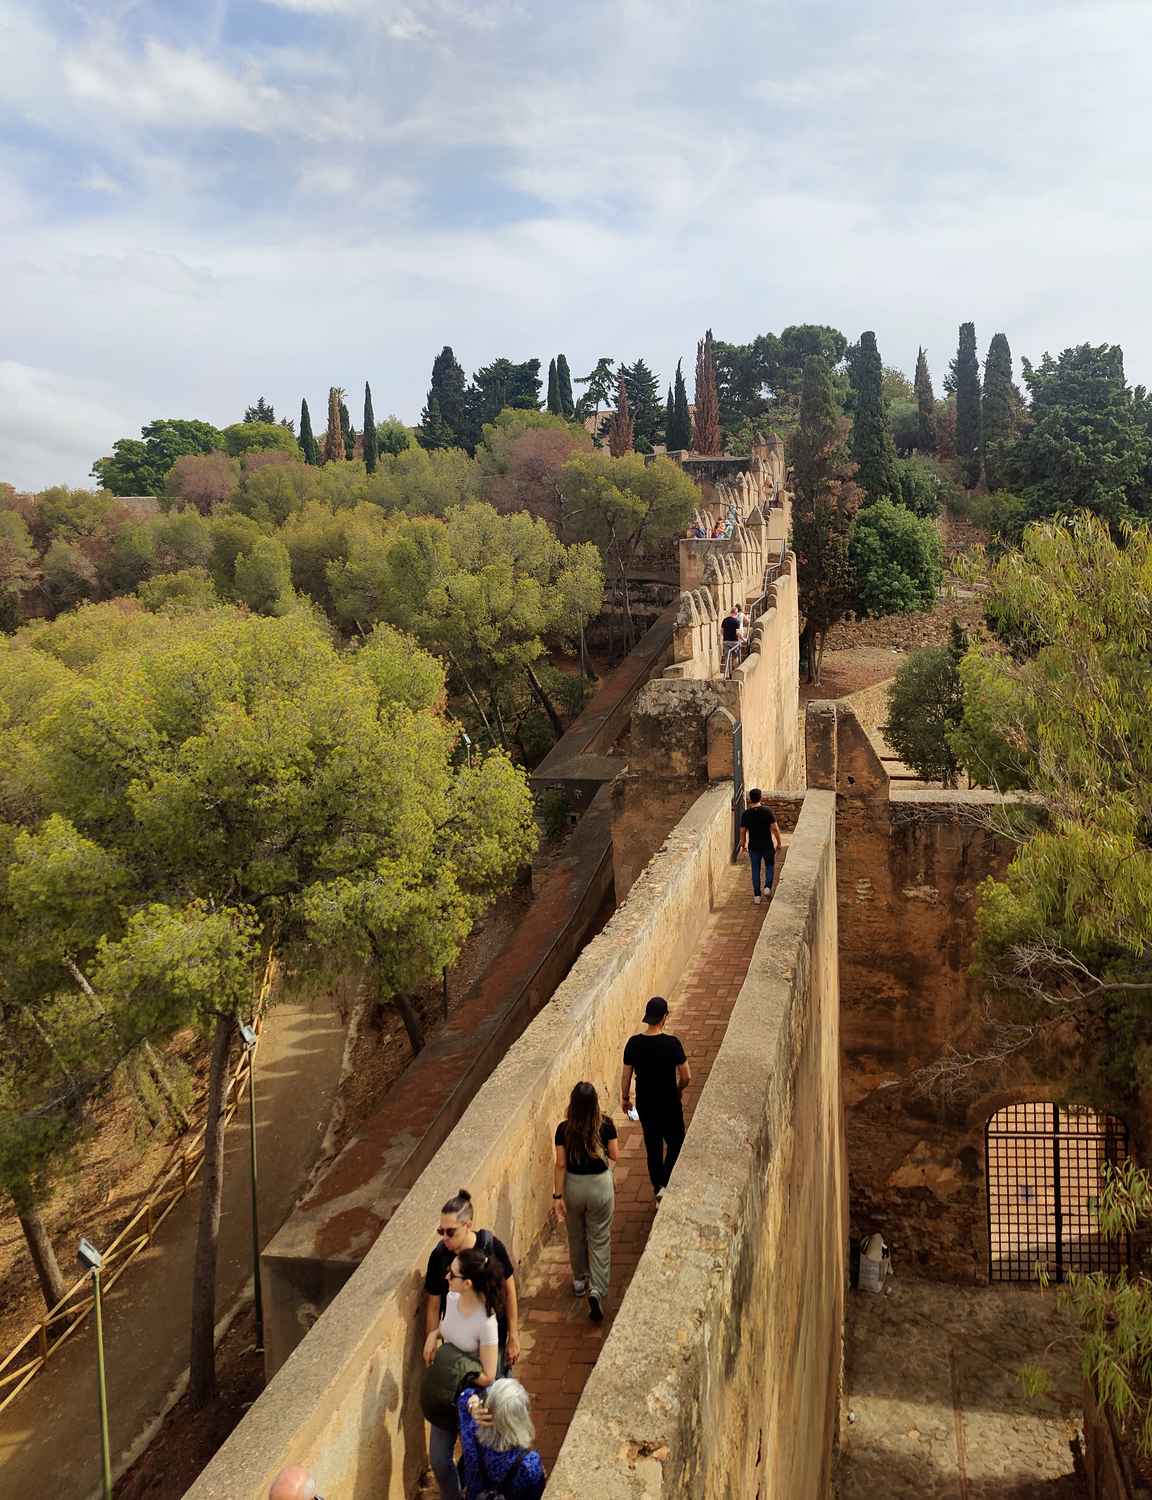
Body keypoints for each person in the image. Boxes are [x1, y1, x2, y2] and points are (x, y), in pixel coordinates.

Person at [425, 1247, 503, 1500]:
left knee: (476, 1463)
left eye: (452, 1274)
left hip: (472, 1402)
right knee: (438, 1459)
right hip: (445, 1396)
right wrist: (432, 1334)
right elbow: (446, 1330)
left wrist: (454, 1363)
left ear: (467, 1283)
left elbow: (489, 1376)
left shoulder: (487, 1323)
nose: (447, 1277)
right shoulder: (451, 1299)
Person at [424, 1189, 520, 1368]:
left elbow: (509, 1289)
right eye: (441, 1231)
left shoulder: (492, 1247)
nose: (444, 1238)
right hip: (457, 1349)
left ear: (467, 1225)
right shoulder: (439, 1257)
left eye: (450, 1232)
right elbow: (434, 1305)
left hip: (493, 1345)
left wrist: (513, 1335)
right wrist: (432, 1341)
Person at [553, 1081, 618, 1322]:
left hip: (573, 1186)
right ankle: (597, 1289)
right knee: (599, 1237)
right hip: (599, 1185)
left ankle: (580, 1281)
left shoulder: (563, 1129)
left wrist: (557, 1196)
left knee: (576, 1234)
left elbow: (560, 1164)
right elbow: (614, 1155)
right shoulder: (607, 1125)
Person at [621, 997, 690, 1199]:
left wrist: (625, 1098)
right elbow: (687, 1076)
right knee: (676, 1141)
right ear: (664, 1017)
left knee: (653, 1146)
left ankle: (658, 1186)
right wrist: (679, 1089)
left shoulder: (633, 1043)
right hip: (669, 1101)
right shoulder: (672, 1044)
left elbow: (626, 1075)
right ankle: (666, 1182)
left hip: (646, 1102)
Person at [457, 1379, 547, 1499]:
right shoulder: (529, 1462)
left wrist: (473, 1406)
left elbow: (463, 1396)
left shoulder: (471, 1430)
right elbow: (536, 1495)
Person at [739, 787, 782, 905]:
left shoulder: (746, 814)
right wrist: (779, 843)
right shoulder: (767, 811)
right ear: (760, 797)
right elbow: (775, 829)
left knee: (755, 869)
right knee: (769, 866)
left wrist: (743, 845)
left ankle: (757, 895)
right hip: (767, 845)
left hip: (754, 846)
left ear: (750, 799)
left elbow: (742, 831)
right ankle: (767, 887)